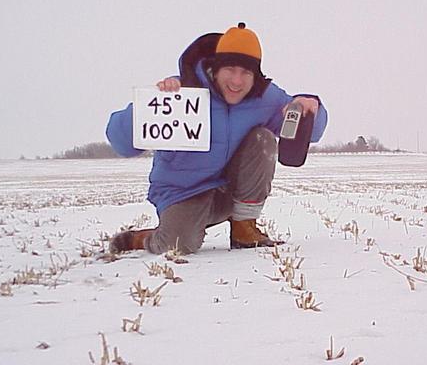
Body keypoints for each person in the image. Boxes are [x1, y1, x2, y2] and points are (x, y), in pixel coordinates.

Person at [106, 22, 328, 255]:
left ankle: (244, 227)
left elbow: (312, 133)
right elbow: (121, 142)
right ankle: (140, 239)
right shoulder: (182, 91)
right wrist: (151, 106)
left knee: (263, 139)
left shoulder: (266, 97)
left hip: (227, 191)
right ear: (215, 68)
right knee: (177, 246)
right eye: (230, 70)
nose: (237, 81)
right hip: (183, 193)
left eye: (246, 72)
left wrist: (311, 108)